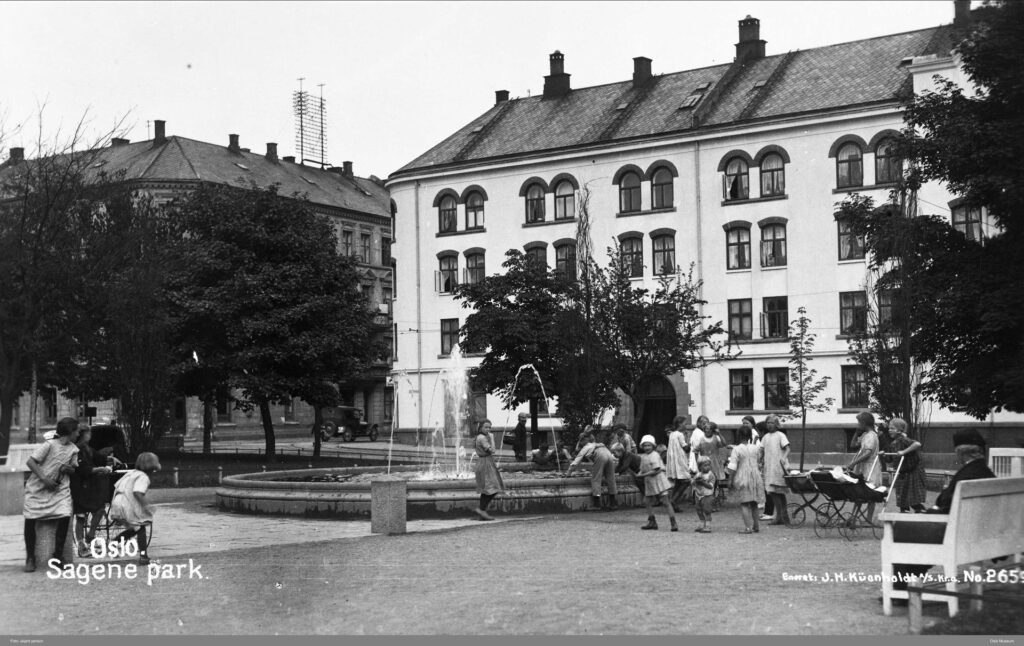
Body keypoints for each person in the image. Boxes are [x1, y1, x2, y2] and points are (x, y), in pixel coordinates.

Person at [887, 429, 996, 603]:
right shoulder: (985, 473)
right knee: (916, 537)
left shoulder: (966, 475)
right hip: (975, 534)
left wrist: (928, 513)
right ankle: (908, 587)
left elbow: (947, 506)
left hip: (955, 534)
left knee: (900, 530)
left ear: (960, 454)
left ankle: (901, 590)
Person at [23, 417, 80, 572]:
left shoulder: (74, 449)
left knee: (64, 514)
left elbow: (74, 468)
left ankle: (58, 555)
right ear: (70, 431)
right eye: (77, 430)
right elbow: (31, 462)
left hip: (59, 490)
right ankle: (30, 557)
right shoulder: (49, 445)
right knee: (30, 518)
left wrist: (68, 469)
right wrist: (44, 478)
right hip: (38, 487)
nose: (78, 433)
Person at [110, 452, 161, 565]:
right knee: (141, 527)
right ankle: (143, 556)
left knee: (133, 528)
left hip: (118, 503)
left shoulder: (131, 473)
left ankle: (114, 544)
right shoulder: (143, 477)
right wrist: (146, 506)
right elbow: (137, 492)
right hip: (128, 504)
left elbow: (117, 486)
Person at [70, 426, 114, 557]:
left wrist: (110, 459)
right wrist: (100, 469)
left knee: (99, 509)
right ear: (83, 435)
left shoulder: (87, 448)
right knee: (81, 516)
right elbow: (83, 469)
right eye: (88, 433)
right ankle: (82, 544)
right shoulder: (76, 450)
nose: (90, 436)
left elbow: (99, 456)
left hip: (89, 486)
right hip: (79, 486)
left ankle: (90, 535)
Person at [565, 430, 619, 511]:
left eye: (581, 441)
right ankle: (613, 504)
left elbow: (576, 461)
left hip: (600, 456)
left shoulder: (586, 446)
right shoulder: (596, 444)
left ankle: (597, 505)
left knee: (596, 479)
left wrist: (568, 473)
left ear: (585, 440)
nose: (580, 443)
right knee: (611, 479)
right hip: (608, 454)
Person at [882, 418, 927, 513]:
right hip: (902, 472)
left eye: (892, 428)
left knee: (913, 496)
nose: (889, 430)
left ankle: (921, 511)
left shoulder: (904, 440)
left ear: (899, 430)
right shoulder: (893, 443)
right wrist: (884, 454)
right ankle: (904, 511)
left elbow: (917, 444)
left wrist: (904, 452)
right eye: (889, 428)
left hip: (912, 470)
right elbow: (889, 459)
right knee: (902, 495)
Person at [726, 425, 766, 533]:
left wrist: (730, 479)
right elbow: (759, 460)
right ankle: (756, 526)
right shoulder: (755, 448)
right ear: (749, 436)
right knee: (754, 503)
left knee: (744, 503)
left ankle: (748, 527)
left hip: (742, 476)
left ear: (738, 436)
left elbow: (733, 466)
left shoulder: (737, 449)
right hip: (755, 476)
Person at [846, 411, 882, 525]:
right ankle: (853, 517)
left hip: (871, 467)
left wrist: (853, 463)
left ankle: (868, 519)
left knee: (870, 493)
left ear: (863, 423)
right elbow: (852, 445)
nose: (857, 425)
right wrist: (856, 433)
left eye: (858, 423)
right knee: (859, 493)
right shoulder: (865, 435)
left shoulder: (871, 436)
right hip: (864, 467)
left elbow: (867, 453)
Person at [636, 435, 678, 531]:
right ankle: (652, 521)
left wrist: (642, 475)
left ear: (653, 446)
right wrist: (638, 474)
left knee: (666, 502)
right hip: (650, 482)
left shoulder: (654, 455)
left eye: (649, 445)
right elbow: (642, 469)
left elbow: (656, 470)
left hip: (659, 481)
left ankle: (673, 523)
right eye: (645, 445)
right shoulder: (643, 457)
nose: (647, 447)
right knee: (647, 502)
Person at [470, 419, 505, 520]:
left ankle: (482, 513)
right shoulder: (483, 438)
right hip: (486, 463)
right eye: (486, 427)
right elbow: (493, 451)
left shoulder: (479, 437)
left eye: (489, 427)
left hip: (483, 462)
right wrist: (492, 438)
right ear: (480, 427)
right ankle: (482, 510)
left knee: (486, 490)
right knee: (494, 488)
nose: (488, 429)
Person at [761, 414, 791, 526]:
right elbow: (761, 450)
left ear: (777, 424)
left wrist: (784, 457)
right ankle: (781, 515)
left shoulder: (780, 435)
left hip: (778, 467)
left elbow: (787, 448)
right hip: (769, 467)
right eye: (768, 423)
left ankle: (781, 516)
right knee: (773, 493)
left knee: (778, 492)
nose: (769, 425)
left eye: (772, 423)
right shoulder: (765, 437)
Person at [665, 418, 691, 512]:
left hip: (673, 460)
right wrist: (689, 440)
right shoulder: (680, 435)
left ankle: (673, 503)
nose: (685, 425)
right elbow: (686, 448)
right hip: (679, 460)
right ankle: (673, 500)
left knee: (678, 482)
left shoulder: (672, 434)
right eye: (684, 424)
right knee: (685, 481)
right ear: (680, 424)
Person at [691, 456, 716, 533]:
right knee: (699, 510)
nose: (707, 467)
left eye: (709, 465)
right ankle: (702, 523)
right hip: (698, 495)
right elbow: (693, 482)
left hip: (707, 495)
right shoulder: (698, 474)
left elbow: (711, 486)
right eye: (705, 465)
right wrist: (695, 481)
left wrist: (703, 483)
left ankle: (708, 525)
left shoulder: (711, 475)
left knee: (707, 510)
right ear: (700, 467)